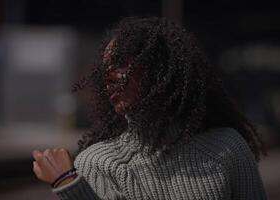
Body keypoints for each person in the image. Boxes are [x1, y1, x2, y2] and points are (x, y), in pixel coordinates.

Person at [32, 17, 267, 199]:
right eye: (105, 69)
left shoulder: (227, 147)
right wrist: (70, 186)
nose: (109, 77)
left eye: (121, 64)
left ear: (161, 71)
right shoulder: (98, 162)